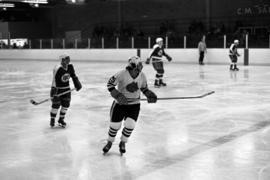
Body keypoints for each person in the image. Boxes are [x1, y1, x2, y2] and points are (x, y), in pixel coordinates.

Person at [103, 56, 157, 155]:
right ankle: (110, 142)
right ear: (134, 66)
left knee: (130, 125)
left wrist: (149, 94)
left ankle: (123, 142)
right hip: (120, 104)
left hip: (134, 105)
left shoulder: (142, 76)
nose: (141, 66)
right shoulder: (122, 74)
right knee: (115, 125)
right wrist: (118, 95)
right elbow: (110, 84)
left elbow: (144, 88)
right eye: (139, 64)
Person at [50, 54, 82, 128]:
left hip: (66, 89)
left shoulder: (70, 67)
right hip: (57, 89)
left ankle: (61, 119)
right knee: (56, 105)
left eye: (69, 58)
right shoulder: (58, 68)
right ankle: (52, 119)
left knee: (66, 105)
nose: (69, 59)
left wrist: (77, 84)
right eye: (67, 58)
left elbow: (73, 76)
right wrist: (53, 92)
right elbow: (54, 81)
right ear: (62, 60)